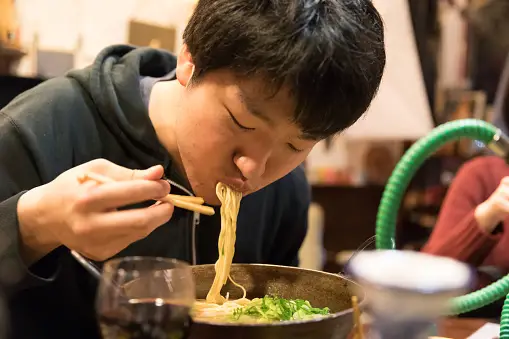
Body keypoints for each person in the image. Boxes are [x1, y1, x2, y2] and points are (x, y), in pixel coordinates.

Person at [0, 0, 385, 338]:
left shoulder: (287, 191)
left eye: (295, 145)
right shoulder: (40, 129)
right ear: (189, 59)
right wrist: (33, 225)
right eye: (242, 122)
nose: (253, 168)